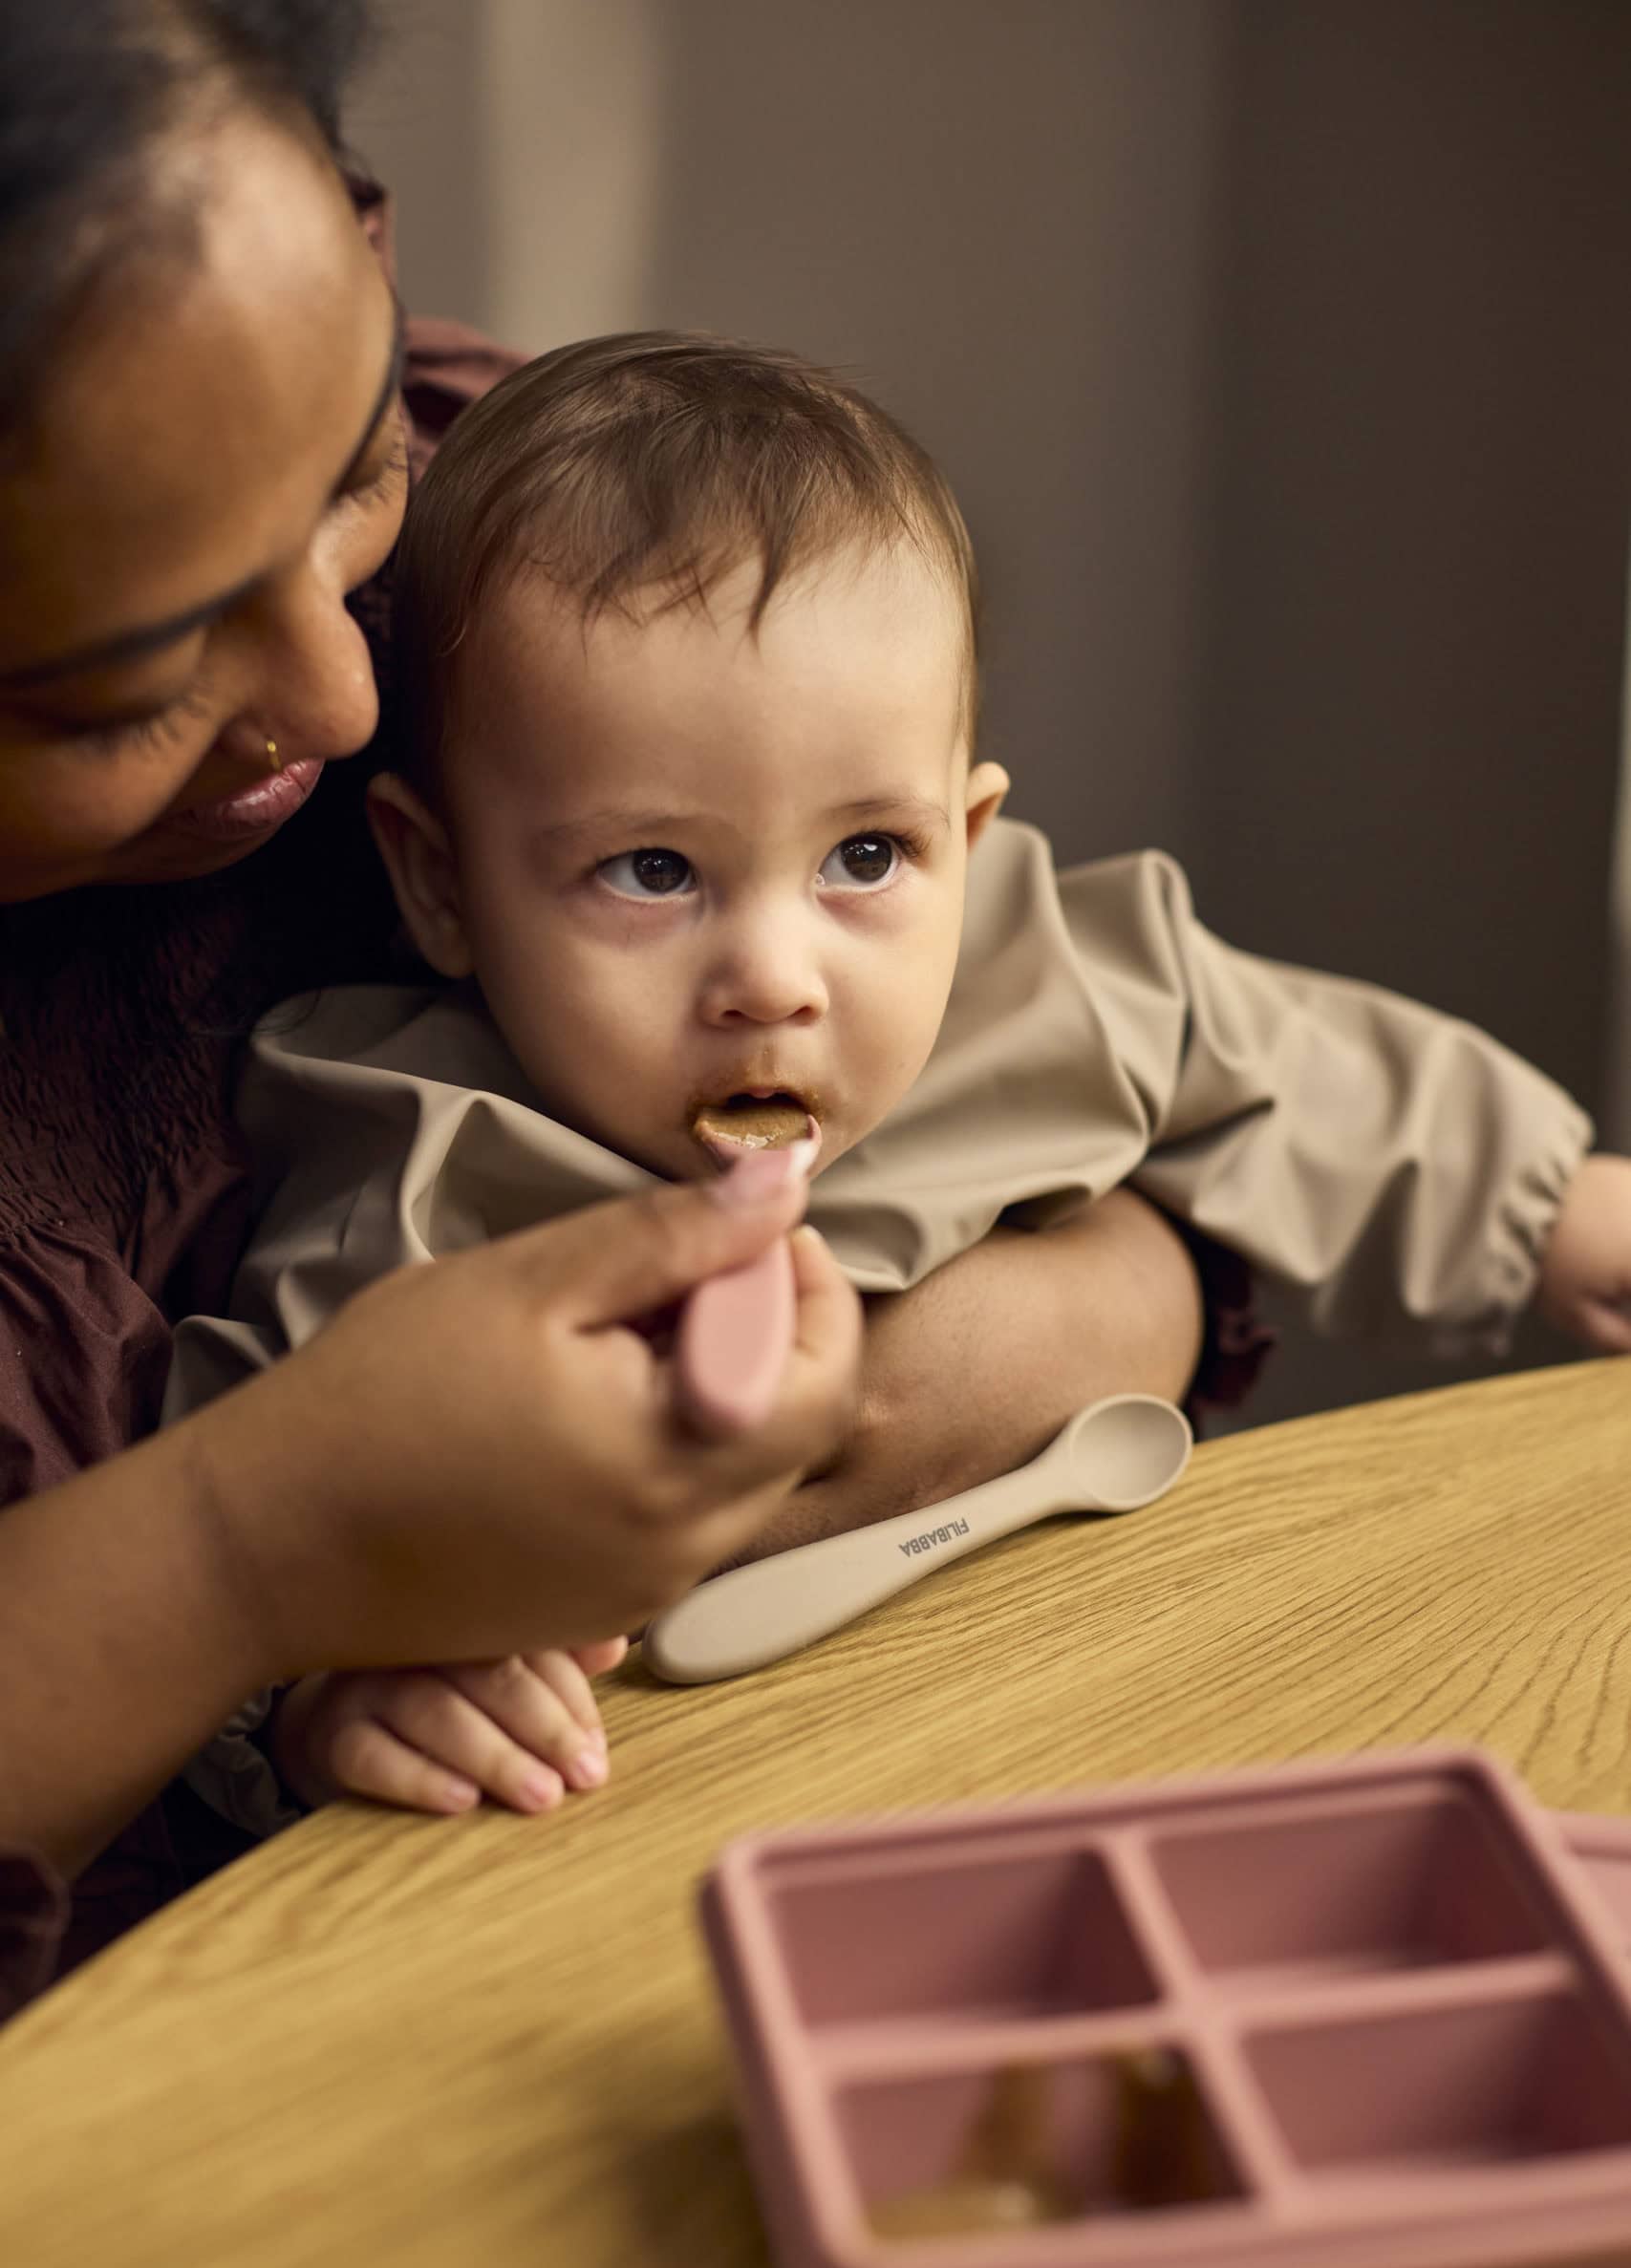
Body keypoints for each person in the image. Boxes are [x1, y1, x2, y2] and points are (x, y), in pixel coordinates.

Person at [0, 9, 1213, 2015]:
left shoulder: (523, 522)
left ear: (366, 241)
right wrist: (264, 1569)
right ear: (429, 883)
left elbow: (1150, 1194)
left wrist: (956, 1354)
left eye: (351, 476)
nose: (341, 689)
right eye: (117, 688)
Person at [161, 331, 1631, 1823]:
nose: (777, 979)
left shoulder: (1034, 979)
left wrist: (1546, 1205)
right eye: (654, 869)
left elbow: (1283, 1064)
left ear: (970, 845)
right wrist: (334, 1692)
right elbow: (244, 1525)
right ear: (442, 886)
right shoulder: (413, 1184)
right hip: (703, 1808)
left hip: (1119, 1677)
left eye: (867, 856)